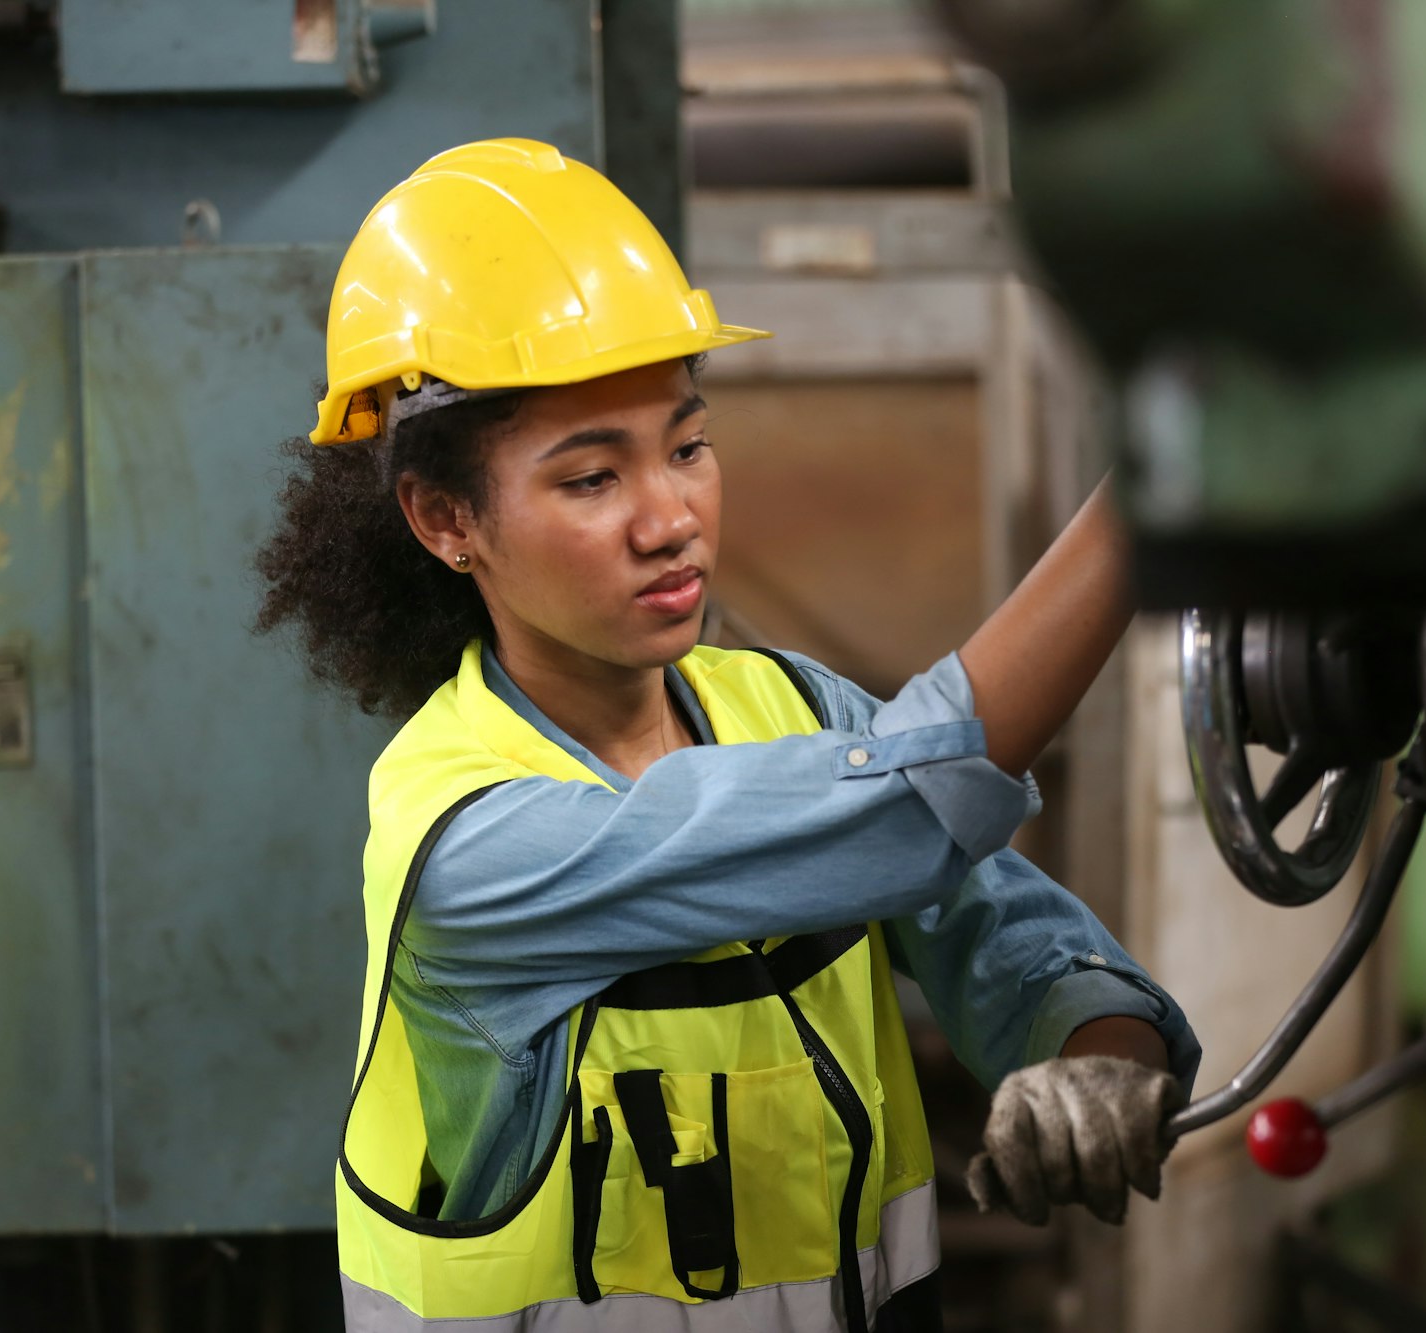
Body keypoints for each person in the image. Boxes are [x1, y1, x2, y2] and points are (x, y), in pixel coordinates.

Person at [257, 139, 1200, 1333]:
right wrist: (1162, 491)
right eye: (592, 479)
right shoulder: (469, 841)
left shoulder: (796, 710)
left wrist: (1095, 1056)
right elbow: (909, 812)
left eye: (688, 446)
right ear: (447, 520)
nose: (672, 518)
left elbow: (1007, 937)